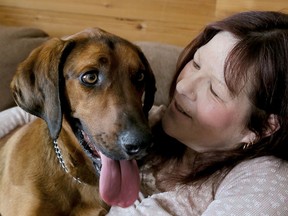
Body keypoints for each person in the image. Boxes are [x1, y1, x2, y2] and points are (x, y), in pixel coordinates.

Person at [1, 11, 288, 215]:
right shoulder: (156, 121)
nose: (183, 86)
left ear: (261, 127)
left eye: (215, 89)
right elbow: (33, 112)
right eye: (196, 64)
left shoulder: (264, 182)